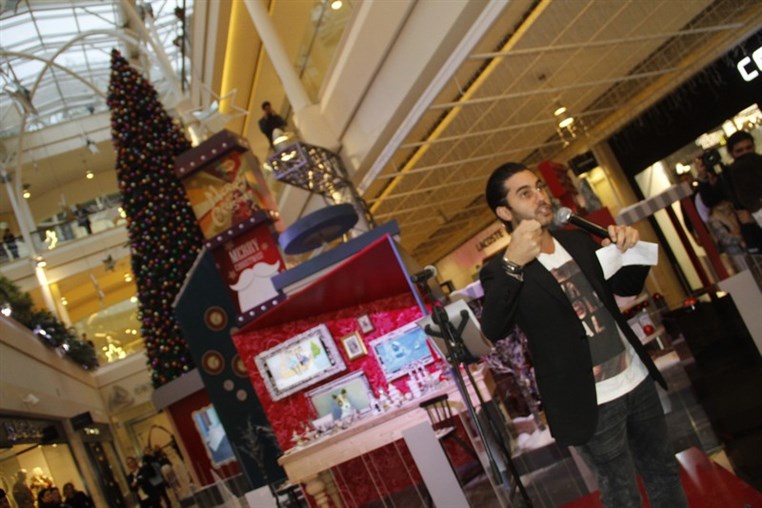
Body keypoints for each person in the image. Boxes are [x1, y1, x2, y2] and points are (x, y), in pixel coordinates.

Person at [479, 162, 687, 507]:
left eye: (539, 187)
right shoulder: (499, 271)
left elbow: (624, 290)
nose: (540, 197)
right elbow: (494, 328)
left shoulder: (576, 240)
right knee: (622, 496)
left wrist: (629, 251)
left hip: (635, 378)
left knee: (664, 471)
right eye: (525, 193)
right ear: (504, 211)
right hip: (592, 401)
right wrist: (513, 263)